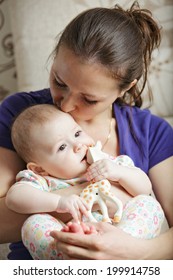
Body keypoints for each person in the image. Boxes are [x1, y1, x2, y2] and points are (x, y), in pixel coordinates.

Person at [0, 1, 173, 260]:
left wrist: (132, 252)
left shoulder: (152, 132)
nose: (66, 105)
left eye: (89, 99)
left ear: (125, 88)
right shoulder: (21, 115)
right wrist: (83, 195)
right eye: (60, 82)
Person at [6, 103, 164, 259]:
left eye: (77, 134)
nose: (78, 145)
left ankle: (122, 250)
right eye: (62, 147)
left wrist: (119, 172)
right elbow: (15, 198)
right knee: (33, 223)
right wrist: (59, 202)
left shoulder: (110, 164)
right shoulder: (43, 180)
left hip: (121, 235)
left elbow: (144, 189)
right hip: (73, 239)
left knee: (148, 203)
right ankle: (73, 259)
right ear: (40, 169)